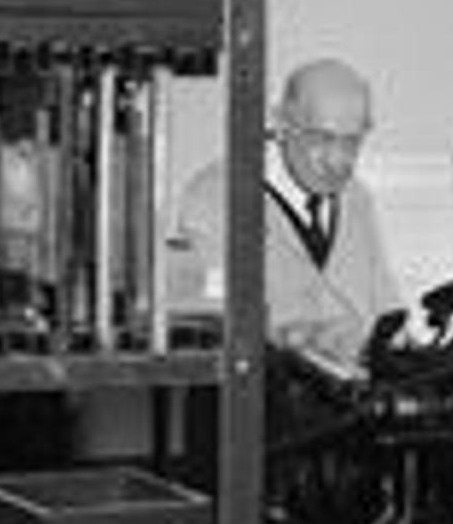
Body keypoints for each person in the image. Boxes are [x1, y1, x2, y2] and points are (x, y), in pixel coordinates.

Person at [171, 58, 403, 373]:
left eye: (352, 141)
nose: (338, 160)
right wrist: (292, 334)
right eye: (321, 138)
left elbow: (385, 305)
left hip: (347, 394)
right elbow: (209, 317)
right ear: (281, 123)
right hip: (260, 394)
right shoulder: (217, 196)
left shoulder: (356, 198)